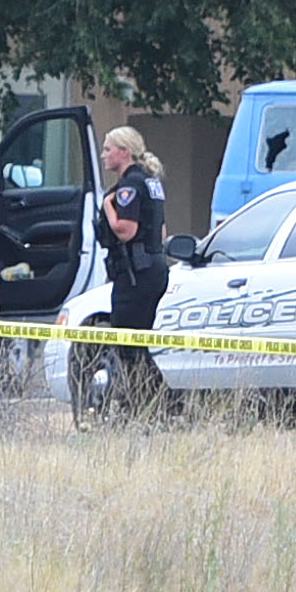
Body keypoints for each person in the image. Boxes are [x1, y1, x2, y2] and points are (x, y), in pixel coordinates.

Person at [97, 125, 171, 411]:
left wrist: (107, 206)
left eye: (107, 149)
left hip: (135, 275)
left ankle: (158, 405)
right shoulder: (150, 182)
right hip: (152, 268)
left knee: (127, 343)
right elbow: (161, 233)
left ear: (124, 152)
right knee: (135, 343)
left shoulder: (128, 188)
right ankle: (148, 406)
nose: (104, 155)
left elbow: (125, 230)